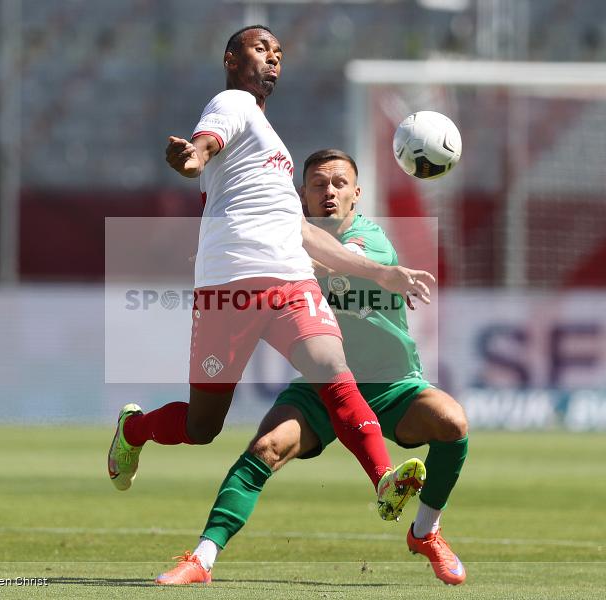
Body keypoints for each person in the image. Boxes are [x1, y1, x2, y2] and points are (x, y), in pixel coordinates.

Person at [108, 26, 436, 524]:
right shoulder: (232, 104)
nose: (273, 59)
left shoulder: (276, 151)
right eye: (262, 49)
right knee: (202, 427)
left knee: (333, 368)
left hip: (288, 281)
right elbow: (203, 144)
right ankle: (135, 431)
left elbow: (302, 234)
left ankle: (385, 479)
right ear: (231, 57)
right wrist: (192, 158)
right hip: (229, 286)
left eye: (279, 53)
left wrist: (382, 273)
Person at [155, 149, 469, 586]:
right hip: (323, 388)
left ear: (357, 194)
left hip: (391, 386)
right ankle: (202, 560)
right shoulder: (281, 246)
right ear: (302, 194)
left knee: (452, 422)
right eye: (319, 184)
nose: (330, 192)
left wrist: (243, 262)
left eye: (340, 184)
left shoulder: (369, 239)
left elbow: (331, 265)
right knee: (263, 449)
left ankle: (426, 532)